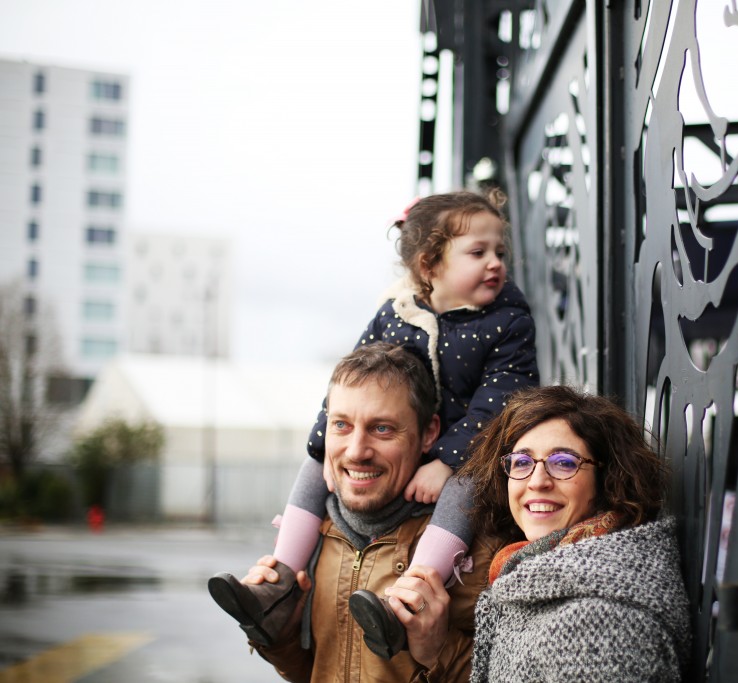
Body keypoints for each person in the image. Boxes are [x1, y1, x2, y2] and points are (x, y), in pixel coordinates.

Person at [209, 189, 539, 659]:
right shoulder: (396, 311)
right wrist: (327, 443)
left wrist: (445, 460)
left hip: (467, 450)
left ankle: (410, 594)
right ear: (430, 265)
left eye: (499, 253)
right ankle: (279, 579)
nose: (495, 264)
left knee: (466, 487)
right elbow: (349, 381)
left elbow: (502, 403)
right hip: (406, 439)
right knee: (312, 463)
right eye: (478, 252)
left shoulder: (507, 324)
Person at [226, 343, 501, 681]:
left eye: (382, 428)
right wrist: (282, 634)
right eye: (341, 425)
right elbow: (311, 672)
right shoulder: (314, 539)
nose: (357, 451)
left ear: (429, 433)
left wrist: (438, 647)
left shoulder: (479, 555)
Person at [456, 384, 692, 682]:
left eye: (564, 463)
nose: (537, 481)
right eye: (522, 462)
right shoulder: (536, 573)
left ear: (606, 478)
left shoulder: (598, 625)